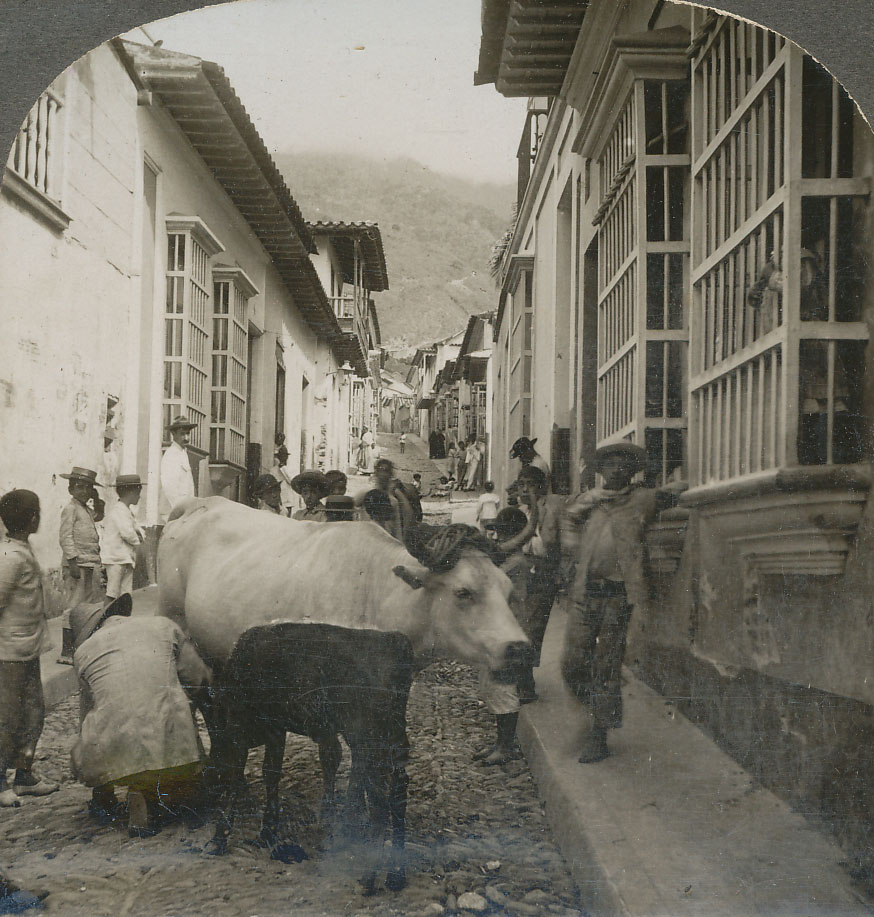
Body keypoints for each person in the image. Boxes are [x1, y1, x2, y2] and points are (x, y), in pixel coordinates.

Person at [561, 442, 675, 763]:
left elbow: (679, 492)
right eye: (610, 464)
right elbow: (566, 518)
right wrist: (570, 548)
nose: (616, 469)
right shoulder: (590, 503)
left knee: (605, 667)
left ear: (631, 470)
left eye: (623, 464)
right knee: (571, 663)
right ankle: (593, 713)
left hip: (618, 597)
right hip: (585, 593)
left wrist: (654, 487)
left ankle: (600, 734)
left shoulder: (641, 499)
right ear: (600, 471)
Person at [70, 594, 211, 836]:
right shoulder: (163, 626)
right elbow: (197, 679)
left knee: (98, 727)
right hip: (169, 737)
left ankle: (113, 794)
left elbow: (86, 714)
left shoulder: (83, 653)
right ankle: (179, 788)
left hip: (117, 746)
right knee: (174, 724)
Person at [0, 490, 59, 807]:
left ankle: (23, 776)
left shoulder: (22, 549)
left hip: (28, 648)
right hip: (9, 652)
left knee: (34, 712)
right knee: (7, 717)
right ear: (32, 518)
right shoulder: (9, 556)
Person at [475, 507, 531, 766]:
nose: (498, 538)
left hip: (509, 631)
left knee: (504, 689)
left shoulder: (516, 563)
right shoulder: (509, 561)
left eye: (503, 533)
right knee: (494, 688)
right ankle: (500, 742)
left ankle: (505, 746)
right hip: (499, 629)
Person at [508, 464, 562, 703]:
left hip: (542, 574)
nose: (525, 489)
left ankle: (525, 680)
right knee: (517, 624)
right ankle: (522, 677)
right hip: (520, 574)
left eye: (530, 484)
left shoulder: (550, 509)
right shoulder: (518, 512)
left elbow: (549, 543)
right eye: (521, 485)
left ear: (541, 487)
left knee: (532, 627)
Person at [58, 466, 103, 607]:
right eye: (80, 487)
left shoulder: (86, 509)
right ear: (70, 490)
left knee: (86, 601)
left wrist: (96, 499)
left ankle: (82, 628)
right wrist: (72, 563)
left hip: (88, 562)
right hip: (76, 564)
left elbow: (99, 516)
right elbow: (65, 537)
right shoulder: (70, 509)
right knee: (74, 602)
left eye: (88, 488)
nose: (84, 491)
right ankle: (68, 629)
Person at [101, 474, 145, 605]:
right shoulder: (118, 511)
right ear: (129, 492)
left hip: (125, 558)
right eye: (138, 493)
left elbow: (137, 529)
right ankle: (104, 617)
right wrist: (138, 540)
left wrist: (139, 534)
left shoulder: (126, 511)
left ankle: (121, 616)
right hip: (115, 558)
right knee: (113, 591)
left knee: (125, 592)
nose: (139, 496)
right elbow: (128, 533)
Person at [159, 415, 197, 523]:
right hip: (174, 514)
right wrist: (179, 513)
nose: (186, 438)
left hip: (185, 512)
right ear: (173, 434)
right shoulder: (171, 455)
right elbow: (169, 487)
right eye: (182, 434)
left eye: (188, 433)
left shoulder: (183, 453)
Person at [272, 445, 295, 517]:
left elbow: (292, 481)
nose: (283, 458)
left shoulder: (289, 469)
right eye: (281, 456)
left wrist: (283, 468)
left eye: (285, 456)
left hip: (287, 499)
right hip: (277, 499)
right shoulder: (273, 469)